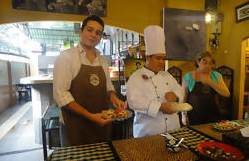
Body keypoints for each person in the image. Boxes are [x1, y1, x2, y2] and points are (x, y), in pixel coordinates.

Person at [53, 15, 127, 146]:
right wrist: (91, 116)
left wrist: (114, 98)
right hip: (75, 125)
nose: (93, 35)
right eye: (90, 30)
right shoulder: (67, 57)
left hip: (101, 124)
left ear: (100, 38)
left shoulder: (102, 61)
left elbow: (108, 87)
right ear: (81, 32)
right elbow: (61, 95)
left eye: (98, 33)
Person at [126, 25, 184, 138]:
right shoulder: (136, 77)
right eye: (158, 58)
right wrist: (159, 107)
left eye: (164, 58)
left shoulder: (167, 75)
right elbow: (134, 101)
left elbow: (179, 90)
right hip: (148, 133)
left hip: (173, 131)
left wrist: (176, 96)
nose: (162, 62)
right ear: (148, 58)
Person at [182, 51, 230, 126]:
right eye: (205, 62)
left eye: (210, 63)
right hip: (193, 115)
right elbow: (183, 97)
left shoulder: (216, 75)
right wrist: (183, 114)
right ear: (198, 62)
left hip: (212, 114)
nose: (208, 65)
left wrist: (211, 82)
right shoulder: (189, 76)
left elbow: (226, 94)